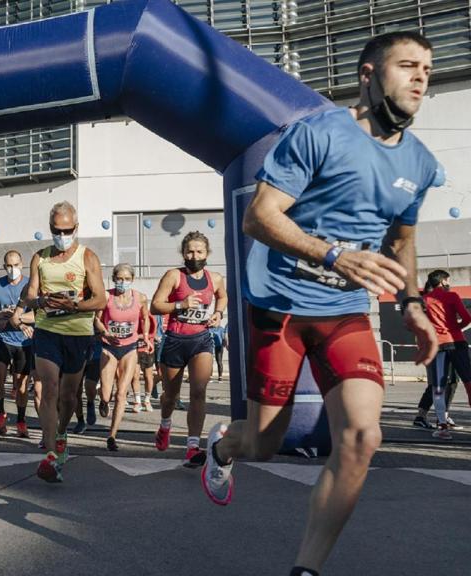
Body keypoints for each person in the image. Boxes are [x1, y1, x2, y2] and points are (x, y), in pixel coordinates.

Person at [201, 32, 439, 576]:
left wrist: (413, 300)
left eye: (427, 67)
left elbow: (401, 239)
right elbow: (258, 217)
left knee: (361, 435)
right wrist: (334, 255)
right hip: (279, 307)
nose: (421, 76)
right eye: (406, 65)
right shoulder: (317, 133)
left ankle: (305, 570)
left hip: (345, 313)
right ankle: (223, 447)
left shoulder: (420, 164)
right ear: (368, 73)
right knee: (262, 444)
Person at [24, 201, 107, 482]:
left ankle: (61, 432)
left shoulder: (87, 257)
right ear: (50, 229)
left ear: (76, 228)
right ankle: (50, 453)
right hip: (47, 330)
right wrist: (41, 301)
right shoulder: (40, 257)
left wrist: (74, 306)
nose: (62, 235)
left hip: (78, 333)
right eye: (57, 230)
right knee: (49, 388)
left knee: (69, 396)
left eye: (67, 230)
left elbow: (100, 299)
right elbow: (30, 294)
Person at [151, 231, 228, 467]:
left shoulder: (214, 278)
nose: (194, 255)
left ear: (207, 254)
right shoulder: (173, 276)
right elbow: (155, 305)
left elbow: (222, 297)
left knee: (198, 392)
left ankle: (193, 446)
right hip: (175, 340)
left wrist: (217, 313)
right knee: (170, 397)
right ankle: (165, 424)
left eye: (199, 251)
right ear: (183, 253)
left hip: (201, 340)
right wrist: (180, 304)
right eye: (190, 251)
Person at [412, 269, 471, 439]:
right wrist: (455, 328)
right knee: (468, 382)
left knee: (438, 387)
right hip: (458, 342)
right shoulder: (452, 296)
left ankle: (443, 427)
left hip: (438, 346)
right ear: (443, 281)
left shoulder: (423, 301)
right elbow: (467, 318)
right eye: (448, 280)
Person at [96, 263, 148, 451]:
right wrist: (104, 331)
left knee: (121, 393)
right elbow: (97, 319)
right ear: (114, 279)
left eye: (127, 279)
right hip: (109, 347)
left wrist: (147, 338)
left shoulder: (140, 298)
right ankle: (103, 401)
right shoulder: (107, 297)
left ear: (132, 280)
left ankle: (112, 436)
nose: (122, 282)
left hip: (130, 348)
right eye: (119, 279)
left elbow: (145, 318)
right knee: (107, 393)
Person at [0, 250, 35, 438]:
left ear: (22, 265)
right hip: (3, 339)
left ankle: (21, 420)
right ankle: (0, 414)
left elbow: (38, 314)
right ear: (4, 266)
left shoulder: (30, 285)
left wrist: (17, 316)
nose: (12, 269)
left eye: (15, 265)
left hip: (24, 342)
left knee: (21, 385)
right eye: (8, 265)